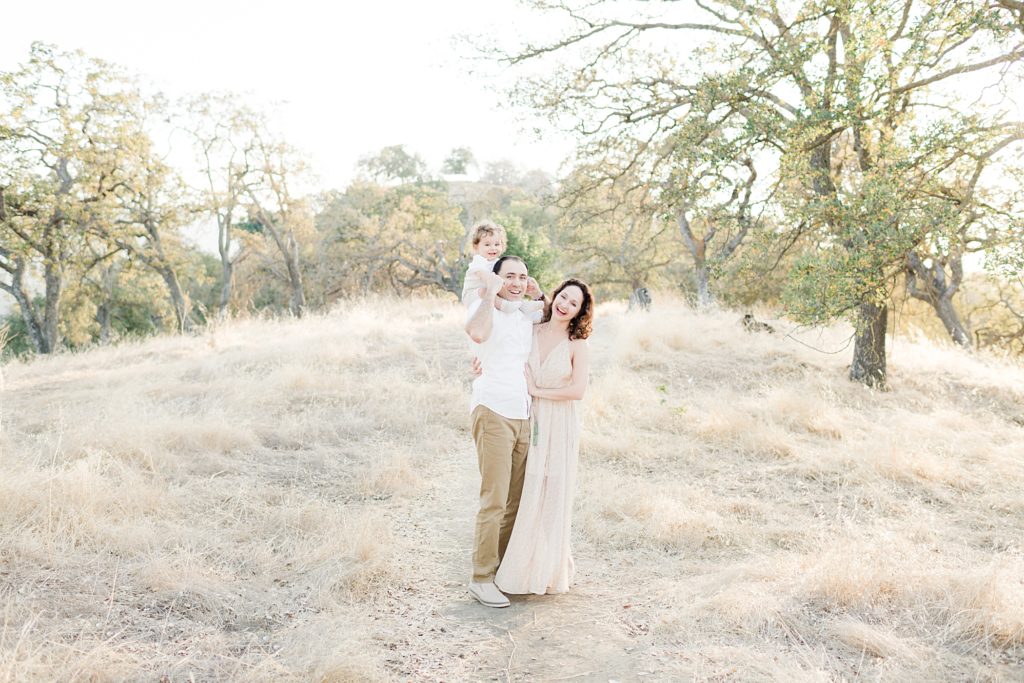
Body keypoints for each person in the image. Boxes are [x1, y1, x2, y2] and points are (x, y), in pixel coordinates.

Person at [494, 278, 593, 596]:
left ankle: (550, 569)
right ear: (555, 296)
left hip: (559, 423)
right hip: (528, 419)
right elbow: (504, 346)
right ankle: (518, 567)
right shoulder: (533, 329)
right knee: (526, 493)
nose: (565, 305)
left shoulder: (578, 344)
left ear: (580, 312)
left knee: (553, 493)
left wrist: (539, 390)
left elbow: (578, 391)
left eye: (573, 303)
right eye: (563, 297)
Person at [464, 254, 544, 608]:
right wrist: (489, 293)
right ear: (496, 279)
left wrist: (539, 294)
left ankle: (502, 571)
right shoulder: (486, 310)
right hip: (493, 409)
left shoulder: (525, 314)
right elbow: (477, 332)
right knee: (493, 500)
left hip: (523, 414)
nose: (517, 282)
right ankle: (480, 578)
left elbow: (563, 316)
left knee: (516, 500)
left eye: (522, 277)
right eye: (509, 276)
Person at [462, 221, 544, 320]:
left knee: (507, 290)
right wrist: (502, 282)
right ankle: (506, 306)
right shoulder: (479, 261)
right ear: (476, 246)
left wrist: (524, 281)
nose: (493, 248)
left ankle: (522, 307)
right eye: (487, 245)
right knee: (487, 291)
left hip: (489, 293)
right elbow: (486, 278)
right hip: (473, 295)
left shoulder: (498, 262)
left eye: (497, 244)